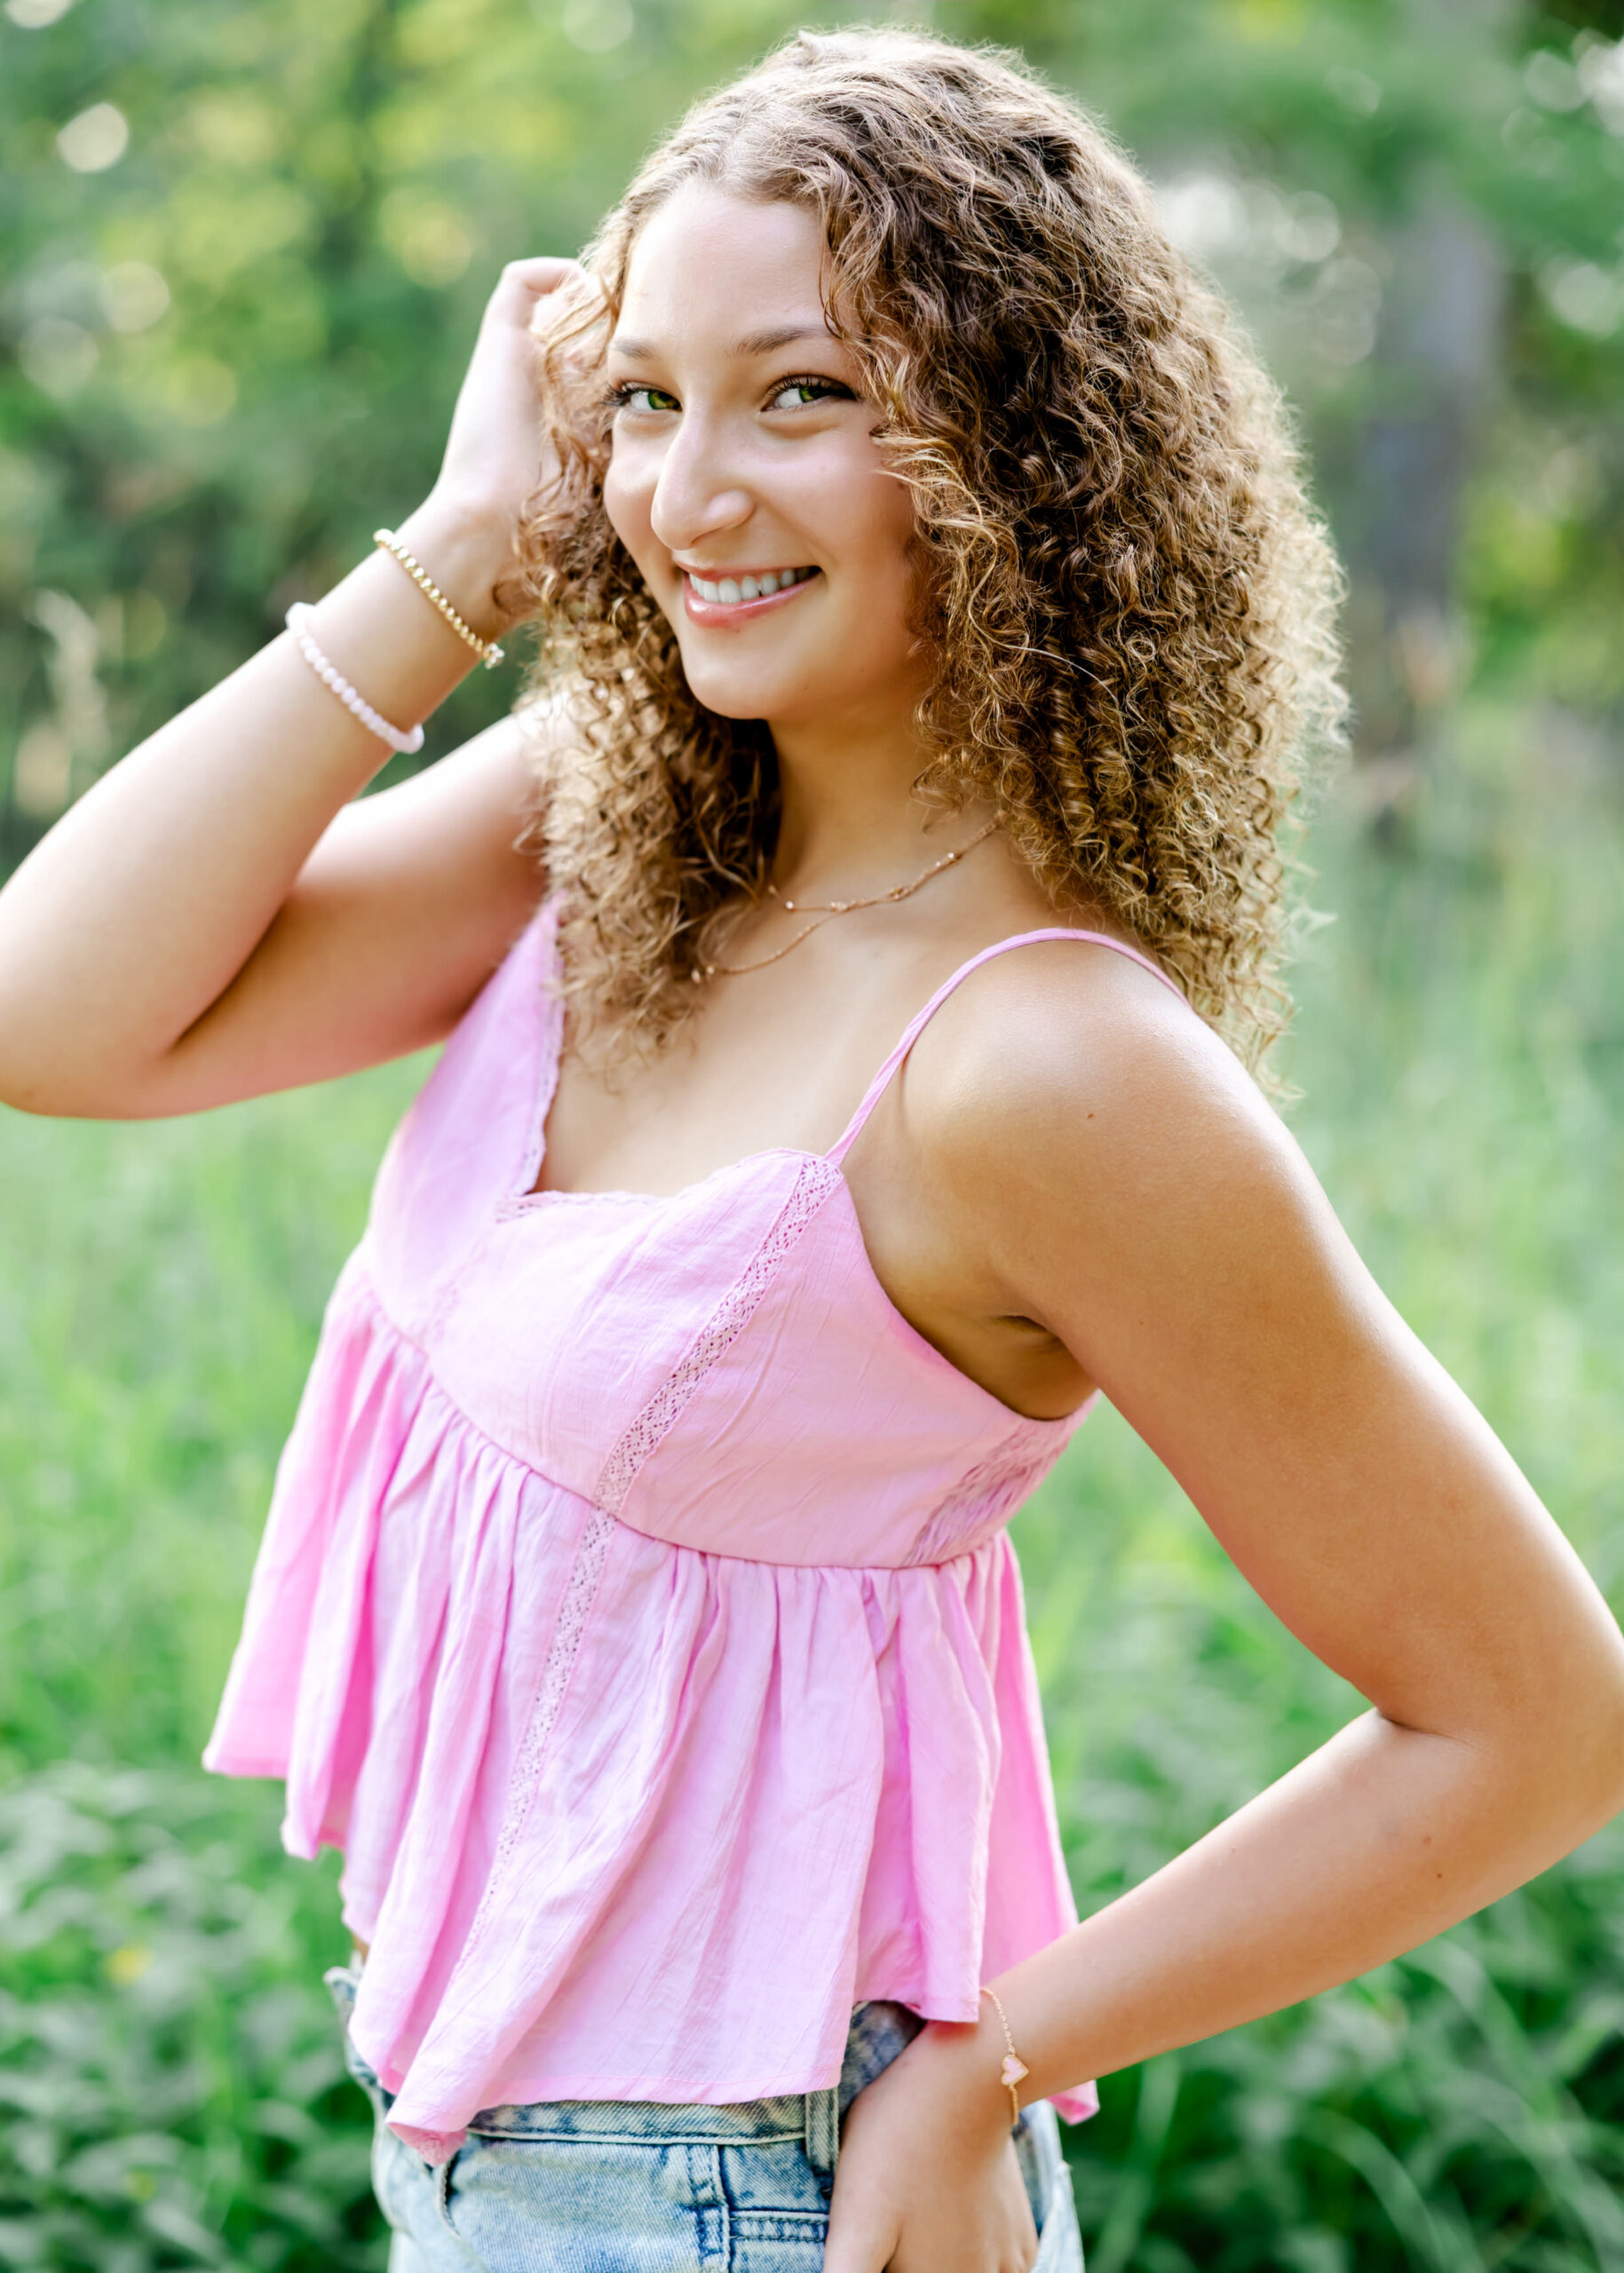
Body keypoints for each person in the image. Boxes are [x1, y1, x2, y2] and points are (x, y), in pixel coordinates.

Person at [2, 25, 1620, 2273]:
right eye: (644, 400)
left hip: (751, 2191)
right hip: (477, 2154)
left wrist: (993, 2058)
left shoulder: (1046, 1066)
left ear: (1019, 453)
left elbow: (1532, 1717)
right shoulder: (612, 837)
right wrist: (467, 545)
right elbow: (51, 1014)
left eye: (804, 395)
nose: (688, 491)